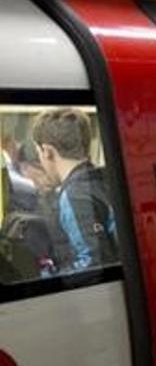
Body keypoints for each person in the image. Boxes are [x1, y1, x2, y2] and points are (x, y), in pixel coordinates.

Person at [31, 108, 118, 273]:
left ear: (48, 152)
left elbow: (94, 263)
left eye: (39, 154)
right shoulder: (103, 180)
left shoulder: (74, 195)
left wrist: (51, 276)